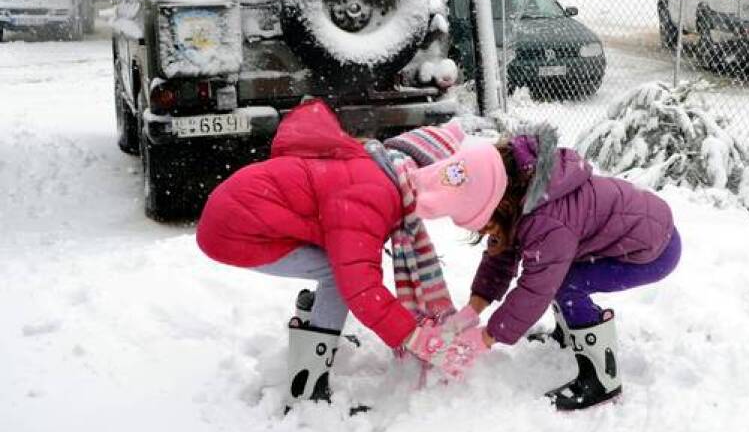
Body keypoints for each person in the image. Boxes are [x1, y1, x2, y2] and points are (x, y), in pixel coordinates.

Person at [195, 99, 505, 411]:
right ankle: (308, 387)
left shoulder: (373, 169)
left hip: (239, 212)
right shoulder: (373, 192)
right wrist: (415, 337)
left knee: (338, 265)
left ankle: (315, 324)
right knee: (338, 276)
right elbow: (361, 288)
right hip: (235, 229)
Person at [417, 123, 681, 410]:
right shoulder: (520, 192)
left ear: (500, 207)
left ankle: (601, 380)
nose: (486, 234)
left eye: (487, 226)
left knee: (564, 283)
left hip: (653, 250)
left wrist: (485, 338)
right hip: (634, 230)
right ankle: (568, 332)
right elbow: (501, 253)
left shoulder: (546, 222)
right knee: (558, 273)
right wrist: (473, 309)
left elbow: (536, 289)